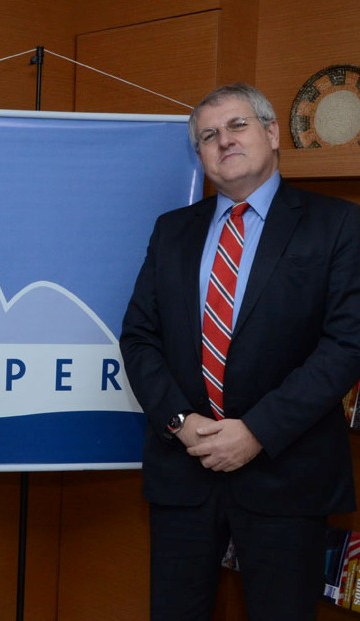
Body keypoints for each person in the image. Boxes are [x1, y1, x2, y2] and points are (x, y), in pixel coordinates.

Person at [120, 82, 360, 620]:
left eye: (236, 126)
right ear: (200, 156)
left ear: (272, 134)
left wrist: (256, 432)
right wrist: (180, 422)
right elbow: (139, 337)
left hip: (286, 474)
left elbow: (347, 343)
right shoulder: (172, 231)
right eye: (208, 136)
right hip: (184, 473)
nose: (223, 141)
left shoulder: (339, 224)